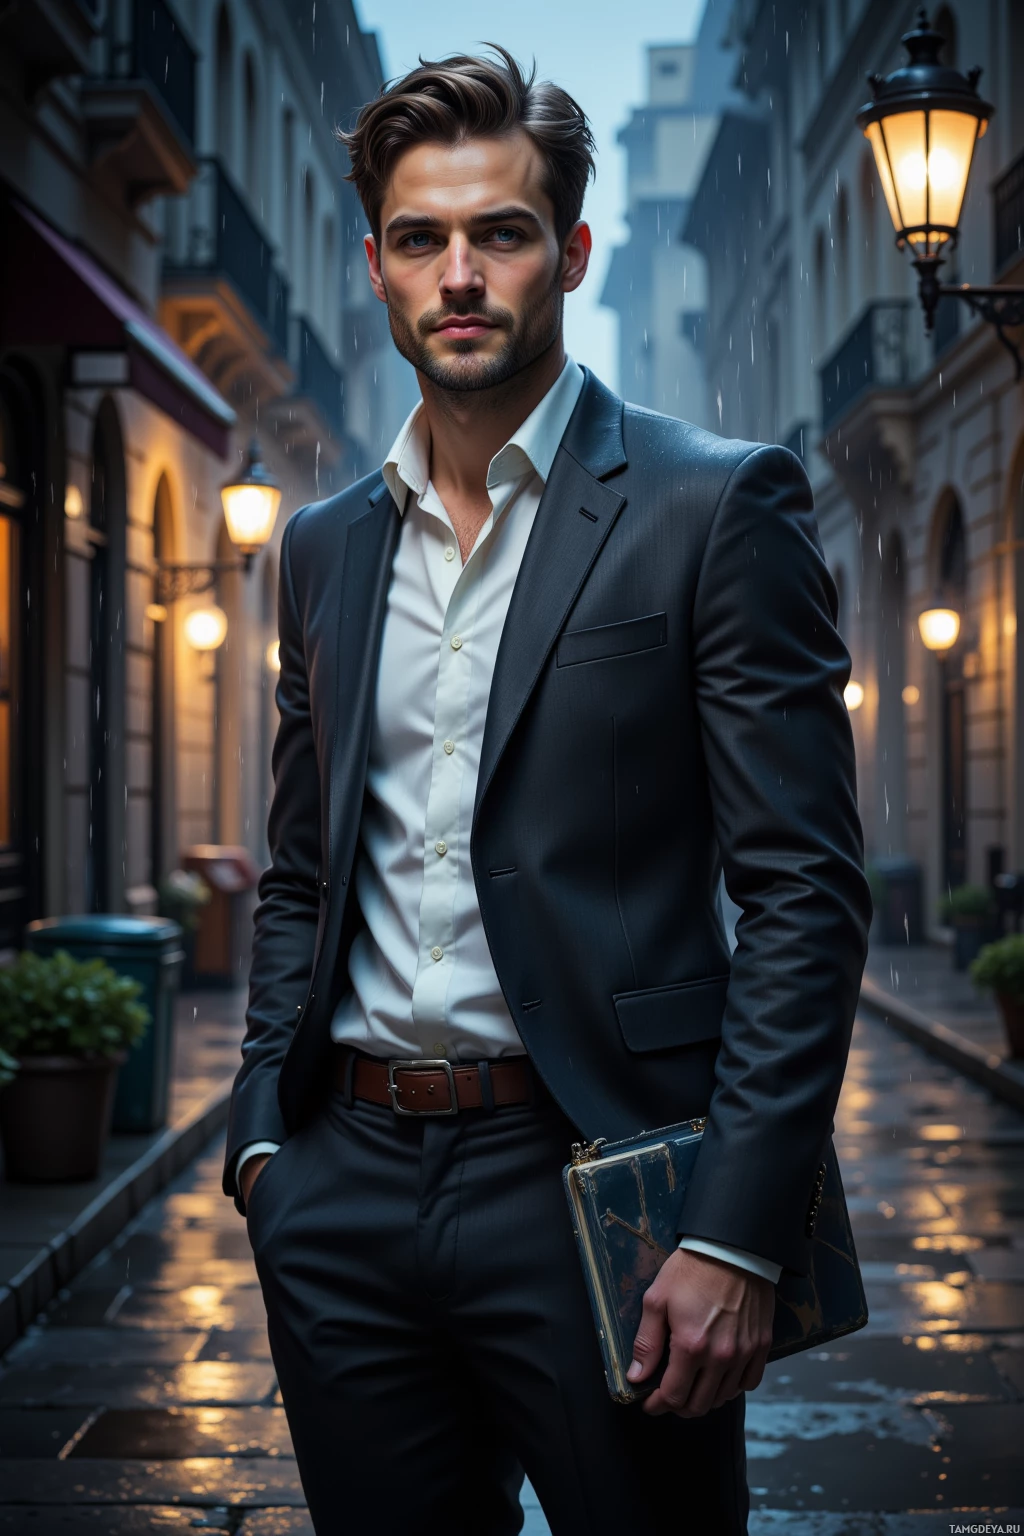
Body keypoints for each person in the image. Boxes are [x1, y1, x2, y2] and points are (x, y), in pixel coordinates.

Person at [224, 47, 870, 1536]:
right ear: (375, 267)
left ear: (570, 254)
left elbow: (803, 892)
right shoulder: (322, 549)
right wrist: (266, 1143)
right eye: (419, 238)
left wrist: (735, 1231)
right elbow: (304, 870)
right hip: (344, 1193)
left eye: (500, 234)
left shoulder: (714, 503)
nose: (459, 276)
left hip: (601, 1179)